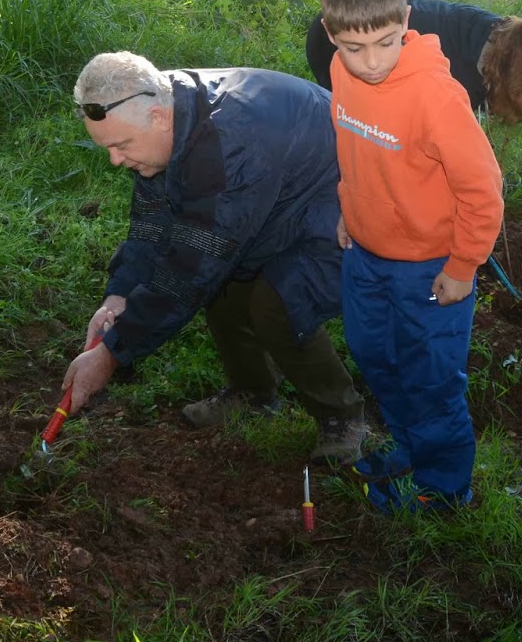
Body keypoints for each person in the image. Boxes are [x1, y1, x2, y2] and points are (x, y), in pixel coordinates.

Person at [60, 52, 368, 464]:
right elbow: (152, 224)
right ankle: (252, 391)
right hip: (274, 200)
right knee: (224, 277)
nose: (116, 160)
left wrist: (111, 353)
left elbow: (191, 266)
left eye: (120, 146)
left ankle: (343, 416)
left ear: (157, 117)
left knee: (275, 296)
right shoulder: (156, 108)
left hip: (347, 205)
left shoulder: (229, 143)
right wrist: (118, 297)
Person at [318, 0, 504, 512]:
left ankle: (446, 487)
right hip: (367, 255)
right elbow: (357, 149)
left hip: (429, 266)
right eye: (354, 48)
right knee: (374, 354)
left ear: (406, 21)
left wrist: (463, 265)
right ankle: (410, 446)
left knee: (430, 378)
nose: (371, 62)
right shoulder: (339, 72)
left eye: (387, 42)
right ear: (331, 35)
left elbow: (482, 189)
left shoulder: (436, 96)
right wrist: (351, 207)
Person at [305, 1, 522, 124]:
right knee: (357, 127)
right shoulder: (459, 80)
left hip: (346, 24)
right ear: (514, 82)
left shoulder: (495, 34)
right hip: (336, 43)